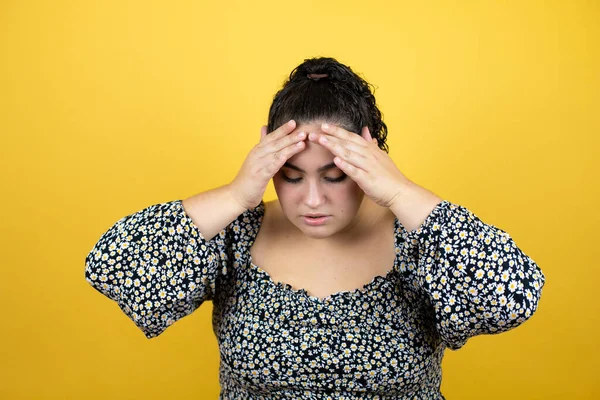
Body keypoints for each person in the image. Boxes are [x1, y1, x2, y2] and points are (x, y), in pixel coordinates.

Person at [85, 57, 545, 399]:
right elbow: (111, 267)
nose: (311, 200)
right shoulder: (237, 234)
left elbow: (513, 298)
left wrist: (402, 193)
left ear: (369, 163)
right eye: (290, 176)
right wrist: (234, 195)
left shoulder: (419, 241)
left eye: (334, 176)